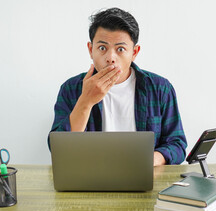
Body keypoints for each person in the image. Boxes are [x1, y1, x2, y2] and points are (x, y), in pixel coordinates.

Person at [49, 8, 187, 165]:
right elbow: (58, 149)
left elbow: (177, 145)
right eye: (102, 48)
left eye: (120, 49)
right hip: (91, 178)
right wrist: (85, 102)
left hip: (144, 178)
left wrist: (151, 160)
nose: (110, 58)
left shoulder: (160, 88)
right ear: (90, 49)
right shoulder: (71, 88)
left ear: (134, 52)